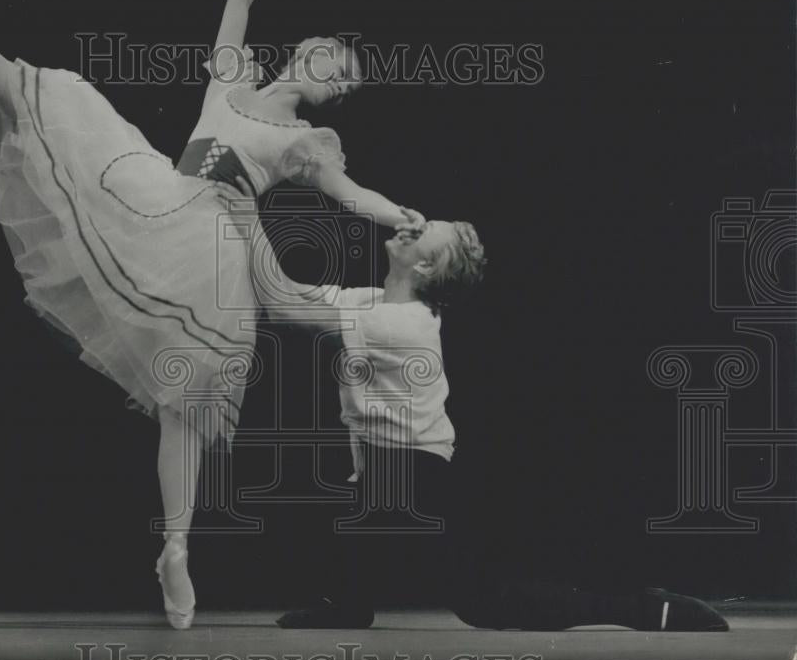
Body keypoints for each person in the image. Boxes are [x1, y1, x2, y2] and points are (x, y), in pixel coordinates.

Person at [0, 0, 424, 630]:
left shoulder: (307, 140)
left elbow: (354, 194)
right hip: (163, 199)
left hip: (216, 250)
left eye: (349, 85)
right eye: (339, 67)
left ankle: (175, 547)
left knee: (185, 404)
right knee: (61, 104)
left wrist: (401, 216)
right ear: (311, 51)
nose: (340, 85)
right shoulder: (233, 74)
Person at [226, 176, 729, 632]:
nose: (412, 223)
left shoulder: (399, 326)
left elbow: (284, 307)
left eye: (425, 230)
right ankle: (348, 604)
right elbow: (285, 293)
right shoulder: (372, 303)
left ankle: (639, 608)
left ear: (424, 265)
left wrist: (242, 203)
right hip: (391, 467)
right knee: (365, 521)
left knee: (488, 605)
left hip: (415, 474)